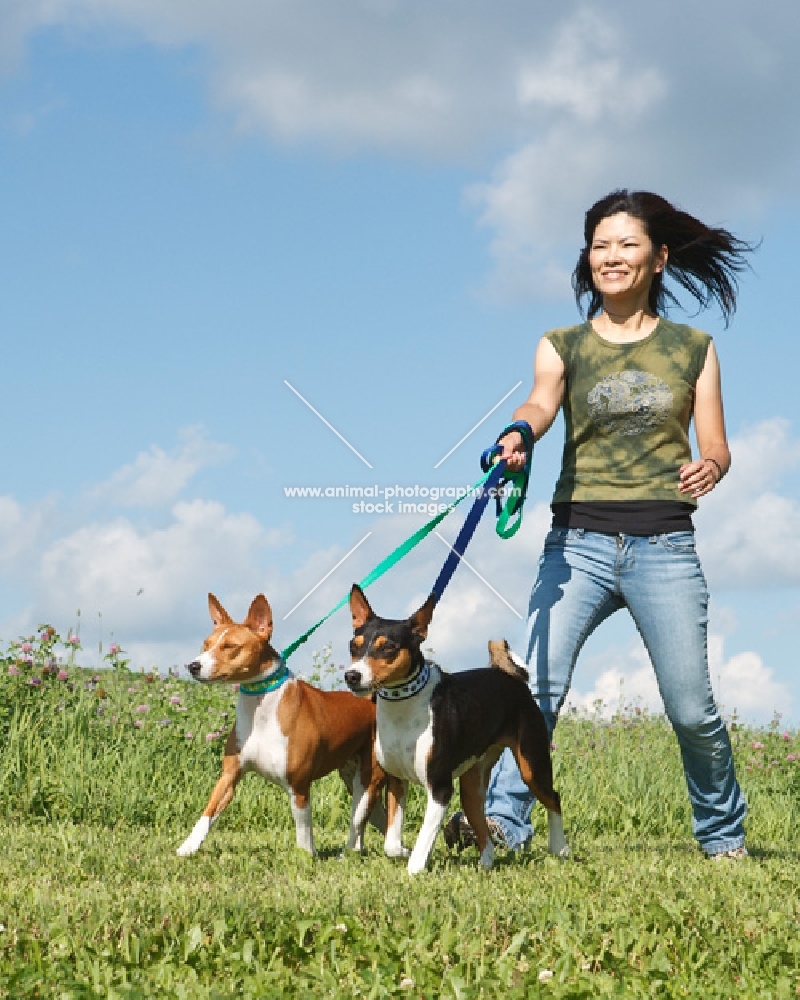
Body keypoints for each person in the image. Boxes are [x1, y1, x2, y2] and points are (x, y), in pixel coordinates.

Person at [445, 189, 753, 859]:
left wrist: (713, 467)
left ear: (659, 258)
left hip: (666, 546)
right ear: (588, 259)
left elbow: (718, 443)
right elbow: (540, 400)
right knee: (531, 692)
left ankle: (724, 840)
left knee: (692, 710)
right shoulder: (563, 344)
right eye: (600, 246)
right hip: (576, 545)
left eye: (627, 244)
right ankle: (500, 825)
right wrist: (519, 433)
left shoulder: (693, 348)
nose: (611, 256)